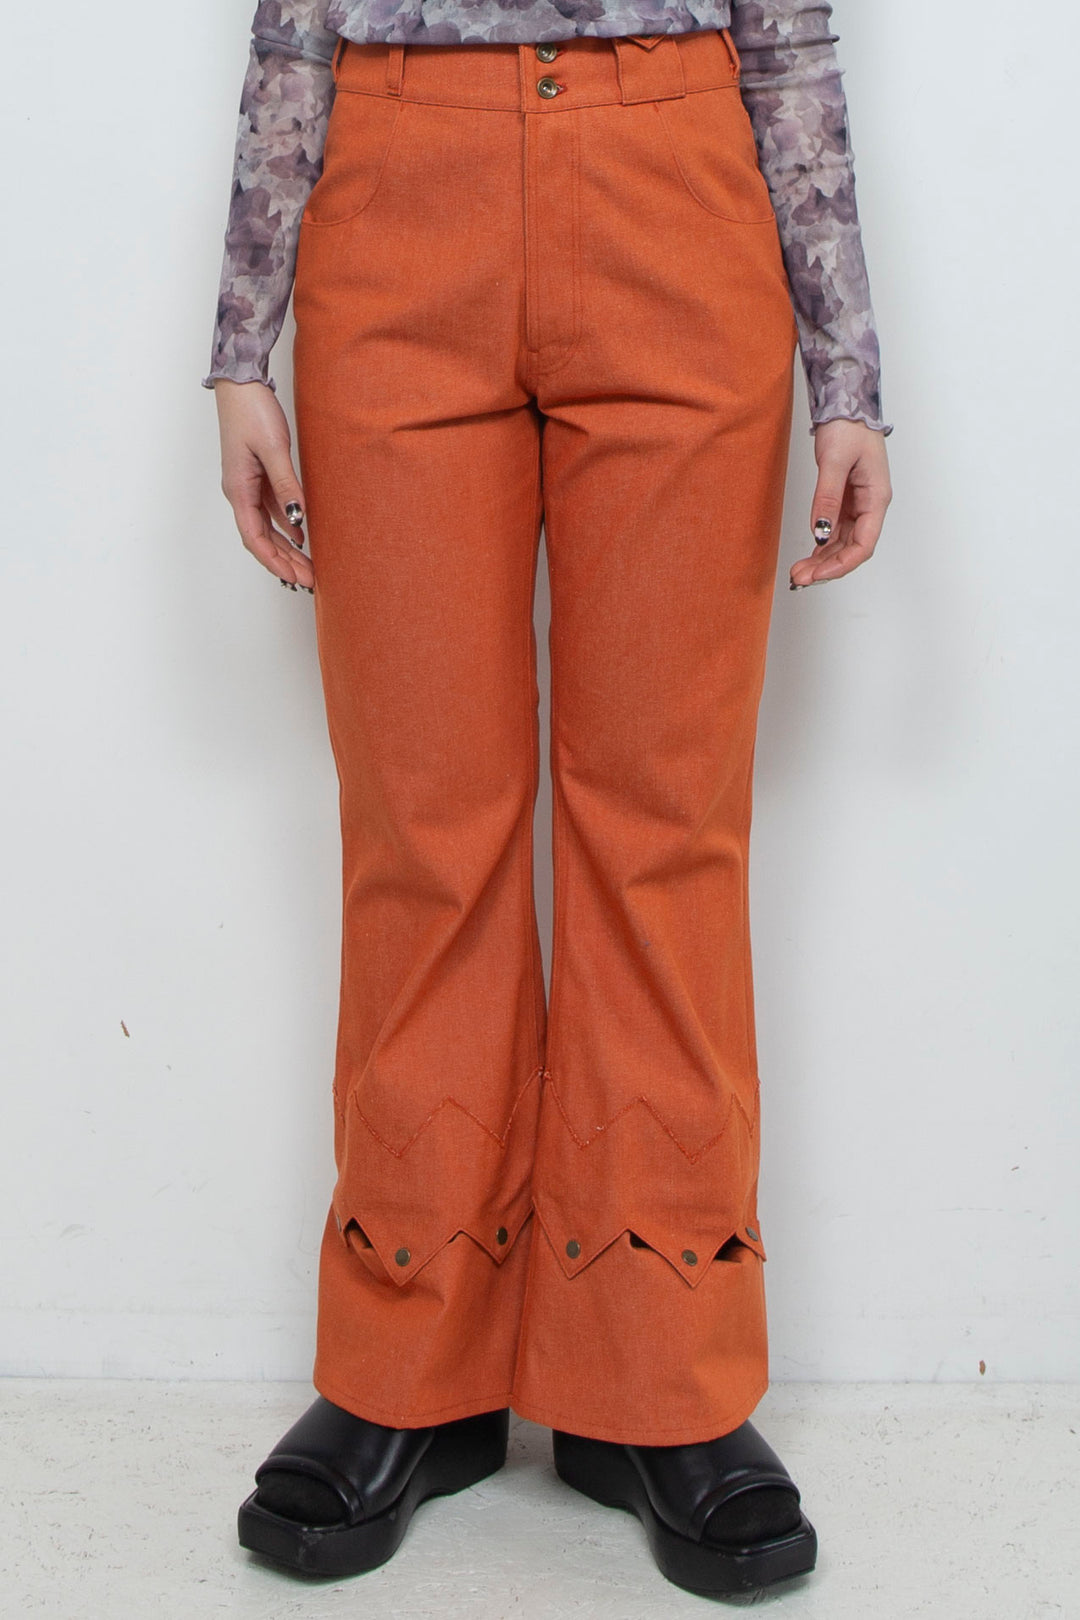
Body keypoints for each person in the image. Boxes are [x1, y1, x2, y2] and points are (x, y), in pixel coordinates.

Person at [204, 0, 892, 1597]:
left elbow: (793, 32)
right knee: (422, 826)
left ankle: (657, 1371)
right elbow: (293, 20)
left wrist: (849, 368)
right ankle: (413, 1361)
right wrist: (242, 337)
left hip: (680, 181)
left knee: (664, 828)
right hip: (395, 183)